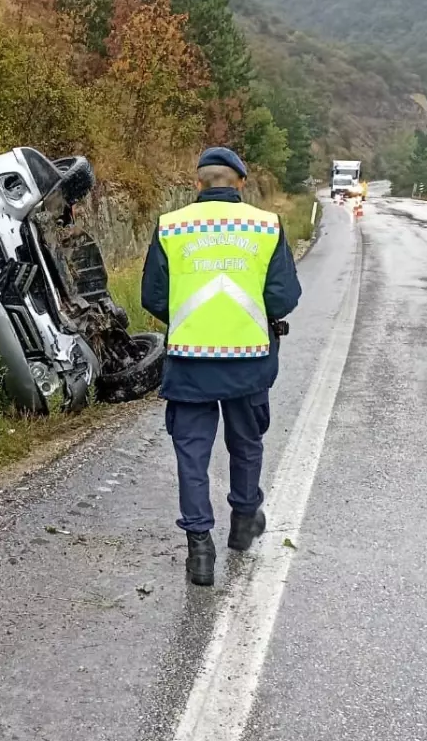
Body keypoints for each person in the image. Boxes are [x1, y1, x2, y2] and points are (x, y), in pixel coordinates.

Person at [140, 147, 303, 586]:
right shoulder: (265, 226)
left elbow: (153, 298)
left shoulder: (171, 227)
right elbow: (284, 297)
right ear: (241, 184)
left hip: (189, 363)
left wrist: (193, 320)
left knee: (191, 455)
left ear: (197, 183)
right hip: (248, 363)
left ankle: (200, 553)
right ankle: (244, 523)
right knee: (246, 444)